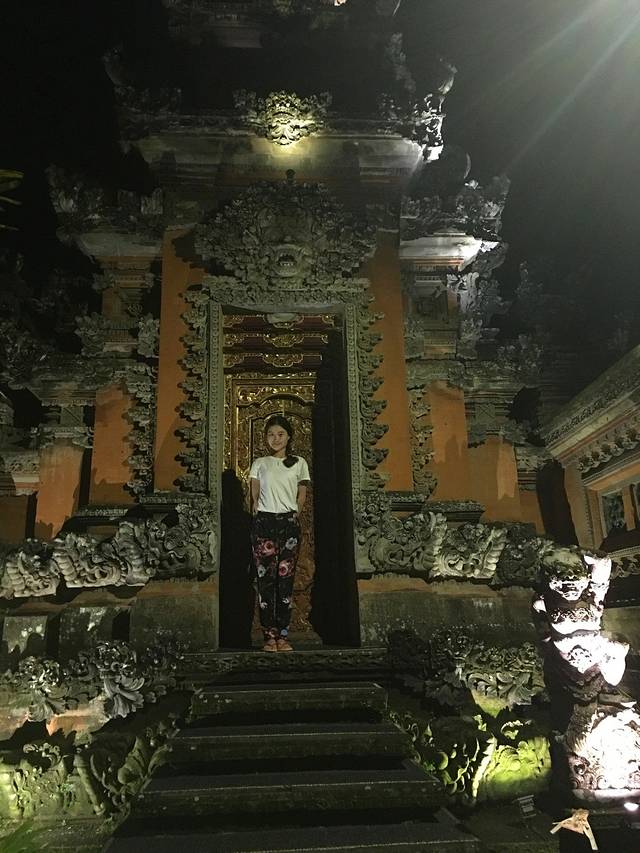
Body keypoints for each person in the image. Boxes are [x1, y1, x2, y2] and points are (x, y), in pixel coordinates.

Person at [249, 415, 311, 652]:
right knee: (265, 581)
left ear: (289, 437)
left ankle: (283, 636)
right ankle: (269, 637)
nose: (275, 439)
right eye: (271, 435)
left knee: (285, 581)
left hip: (288, 524)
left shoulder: (299, 463)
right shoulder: (259, 463)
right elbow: (254, 491)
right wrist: (255, 508)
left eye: (280, 434)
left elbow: (301, 494)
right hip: (264, 523)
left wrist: (295, 513)